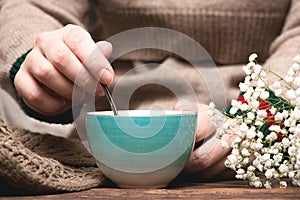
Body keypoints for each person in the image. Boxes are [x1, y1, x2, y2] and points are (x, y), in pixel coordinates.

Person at [0, 0, 300, 192]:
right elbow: (32, 7)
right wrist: (40, 62)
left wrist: (263, 115)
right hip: (95, 141)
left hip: (261, 152)